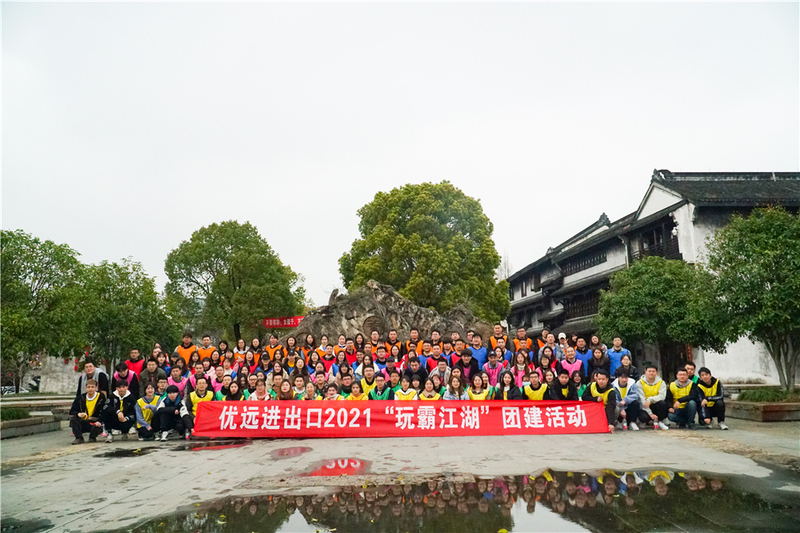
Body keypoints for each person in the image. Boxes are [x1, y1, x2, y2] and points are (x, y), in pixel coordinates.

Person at [69, 378, 105, 444]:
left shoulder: (101, 397)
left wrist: (99, 421)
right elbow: (72, 411)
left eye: (92, 387)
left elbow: (104, 411)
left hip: (95, 420)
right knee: (74, 419)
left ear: (96, 388)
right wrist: (78, 414)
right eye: (88, 387)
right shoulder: (81, 397)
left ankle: (92, 437)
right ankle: (79, 438)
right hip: (84, 420)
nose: (90, 389)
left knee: (99, 426)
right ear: (86, 388)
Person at [636, 363, 670, 430]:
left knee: (662, 403)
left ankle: (660, 421)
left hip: (655, 404)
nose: (651, 373)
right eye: (649, 371)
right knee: (643, 417)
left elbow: (662, 396)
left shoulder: (661, 382)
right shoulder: (640, 383)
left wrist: (650, 399)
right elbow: (642, 400)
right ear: (646, 372)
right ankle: (647, 421)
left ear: (656, 373)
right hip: (645, 406)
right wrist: (650, 413)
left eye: (653, 371)